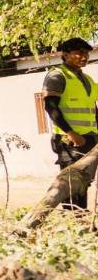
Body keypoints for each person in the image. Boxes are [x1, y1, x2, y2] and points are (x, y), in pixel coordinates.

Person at [42, 37, 98, 211]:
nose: (84, 57)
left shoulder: (87, 79)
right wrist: (71, 133)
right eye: (79, 53)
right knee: (71, 185)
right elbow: (50, 106)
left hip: (90, 139)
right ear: (65, 55)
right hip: (70, 141)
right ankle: (73, 222)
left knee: (84, 183)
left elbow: (92, 108)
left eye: (86, 53)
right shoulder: (57, 75)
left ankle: (82, 221)